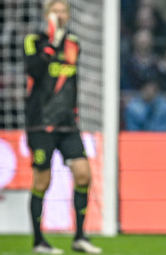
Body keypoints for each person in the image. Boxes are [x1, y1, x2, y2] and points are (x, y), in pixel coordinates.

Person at [23, 0, 102, 254]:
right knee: (42, 181)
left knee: (83, 175)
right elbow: (34, 70)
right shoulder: (33, 41)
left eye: (63, 11)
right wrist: (52, 43)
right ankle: (38, 241)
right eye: (55, 11)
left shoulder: (74, 43)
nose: (60, 15)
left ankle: (80, 237)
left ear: (68, 15)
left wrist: (75, 111)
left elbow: (72, 80)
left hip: (67, 124)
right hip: (40, 123)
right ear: (47, 15)